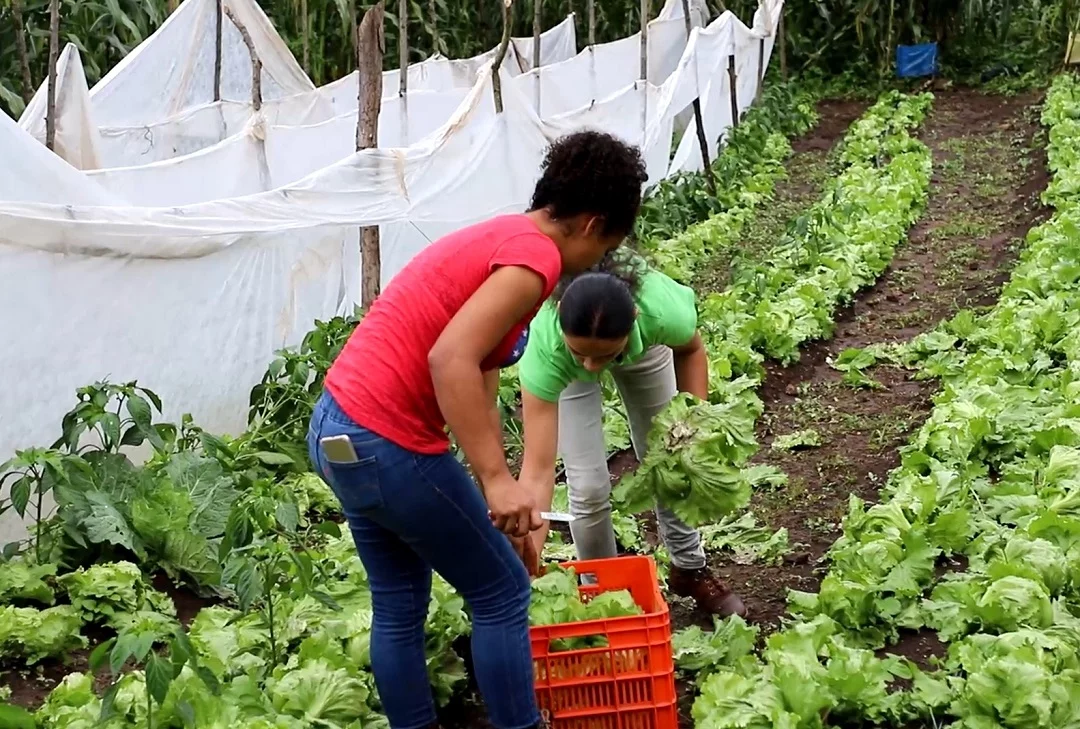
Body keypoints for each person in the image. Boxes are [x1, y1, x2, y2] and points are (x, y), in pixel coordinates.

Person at [306, 130, 649, 729]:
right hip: (387, 439)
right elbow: (449, 359)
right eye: (608, 247)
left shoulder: (504, 238)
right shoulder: (535, 260)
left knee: (399, 603)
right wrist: (493, 479)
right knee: (503, 592)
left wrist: (497, 493)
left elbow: (478, 383)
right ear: (594, 224)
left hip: (338, 429)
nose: (599, 262)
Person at [517, 254, 747, 618]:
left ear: (635, 320)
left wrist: (692, 422)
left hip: (643, 349)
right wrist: (526, 559)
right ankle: (603, 594)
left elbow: (691, 349)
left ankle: (689, 567)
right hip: (564, 360)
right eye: (583, 355)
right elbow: (538, 470)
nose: (593, 367)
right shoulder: (547, 348)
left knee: (671, 454)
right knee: (587, 486)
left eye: (603, 356)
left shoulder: (660, 311)